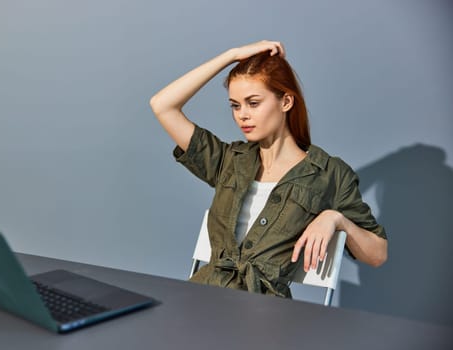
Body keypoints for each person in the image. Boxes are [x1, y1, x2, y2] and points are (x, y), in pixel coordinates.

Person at [150, 40, 387, 298]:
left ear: (285, 102)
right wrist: (232, 56)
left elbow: (378, 254)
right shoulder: (228, 160)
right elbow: (163, 105)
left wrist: (336, 219)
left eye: (253, 103)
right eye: (235, 105)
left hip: (265, 315)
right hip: (204, 298)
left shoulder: (329, 173)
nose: (242, 115)